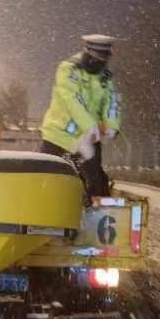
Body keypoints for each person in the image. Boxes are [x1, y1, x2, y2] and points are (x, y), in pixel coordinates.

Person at [40, 34, 121, 199]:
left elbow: (112, 102)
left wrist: (112, 126)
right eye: (97, 59)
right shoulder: (69, 69)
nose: (100, 64)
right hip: (58, 137)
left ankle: (99, 212)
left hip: (89, 139)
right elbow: (72, 99)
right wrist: (90, 127)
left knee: (97, 184)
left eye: (104, 60)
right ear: (87, 53)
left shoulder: (105, 77)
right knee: (48, 182)